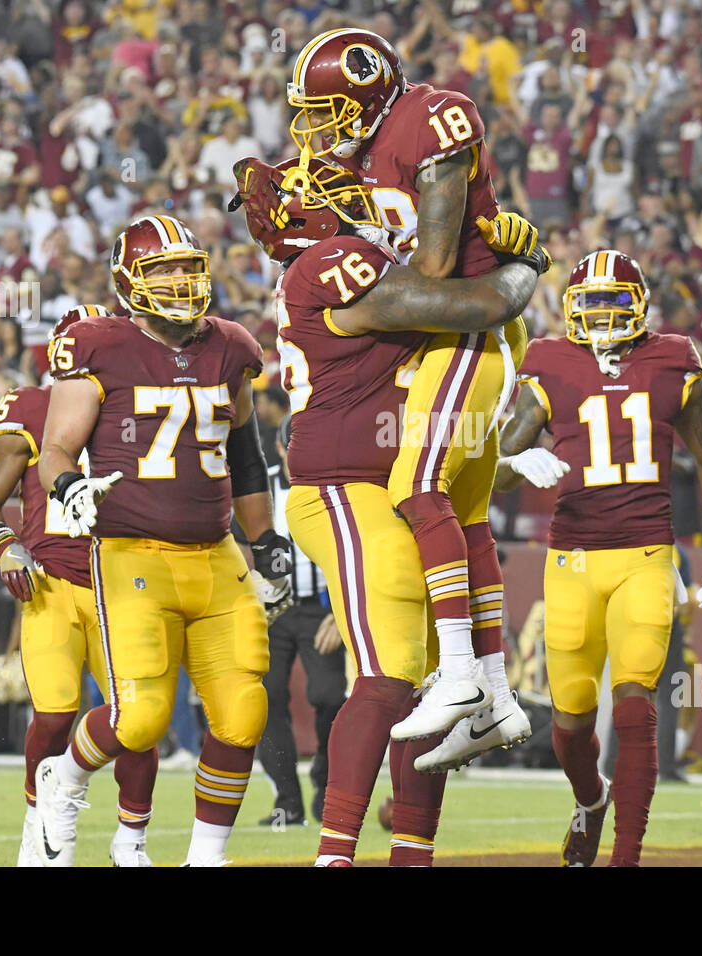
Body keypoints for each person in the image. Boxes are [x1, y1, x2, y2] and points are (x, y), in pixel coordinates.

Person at [231, 156, 544, 865]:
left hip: (400, 483)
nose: (360, 192)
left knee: (438, 686)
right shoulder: (329, 261)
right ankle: (335, 852)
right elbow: (478, 306)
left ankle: (411, 853)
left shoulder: (377, 259)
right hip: (344, 484)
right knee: (394, 667)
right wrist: (527, 266)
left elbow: (486, 334)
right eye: (330, 189)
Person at [287, 28, 532, 755]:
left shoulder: (428, 120)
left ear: (368, 92)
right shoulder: (360, 159)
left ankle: (458, 674)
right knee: (468, 513)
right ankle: (496, 695)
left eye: (330, 108)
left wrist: (525, 270)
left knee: (416, 485)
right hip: (459, 336)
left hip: (468, 335)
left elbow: (431, 269)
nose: (319, 130)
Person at [33, 214, 293, 868]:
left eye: (187, 267)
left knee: (243, 711)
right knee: (142, 717)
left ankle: (206, 857)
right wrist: (69, 487)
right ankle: (62, 776)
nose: (179, 281)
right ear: (128, 280)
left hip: (217, 557)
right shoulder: (99, 345)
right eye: (162, 270)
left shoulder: (231, 344)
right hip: (131, 552)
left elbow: (245, 452)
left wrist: (265, 543)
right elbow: (56, 447)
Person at [496, 248, 702, 867]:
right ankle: (590, 800)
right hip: (573, 558)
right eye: (591, 304)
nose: (603, 316)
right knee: (571, 719)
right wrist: (509, 463)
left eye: (614, 303)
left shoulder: (671, 359)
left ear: (639, 306)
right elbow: (494, 470)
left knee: (636, 705)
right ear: (570, 309)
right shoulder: (548, 360)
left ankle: (627, 857)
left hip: (645, 553)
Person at [0, 304, 159, 867]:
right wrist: (6, 544)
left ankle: (132, 841)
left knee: (139, 718)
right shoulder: (31, 406)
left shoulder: (145, 401)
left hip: (122, 582)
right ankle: (38, 823)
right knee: (54, 717)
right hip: (52, 583)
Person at [256, 414, 345, 827]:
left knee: (329, 697)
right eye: (292, 449)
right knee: (264, 699)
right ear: (278, 449)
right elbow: (239, 540)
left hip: (321, 608)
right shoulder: (261, 489)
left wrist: (340, 613)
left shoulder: (337, 486)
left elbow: (352, 551)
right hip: (272, 610)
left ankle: (327, 785)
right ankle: (287, 801)